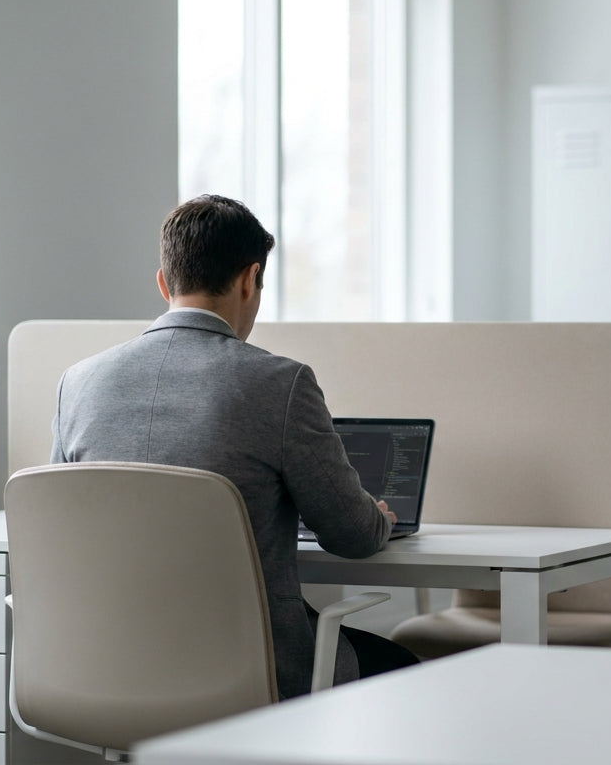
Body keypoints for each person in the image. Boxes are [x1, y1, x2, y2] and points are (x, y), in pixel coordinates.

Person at [50, 194, 418, 698]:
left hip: (110, 668)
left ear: (163, 282)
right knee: (415, 673)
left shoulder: (78, 383)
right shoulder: (279, 383)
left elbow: (61, 533)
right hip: (252, 670)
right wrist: (379, 517)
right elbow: (352, 535)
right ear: (250, 279)